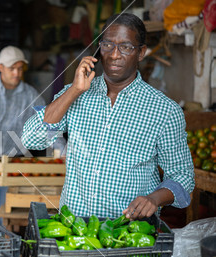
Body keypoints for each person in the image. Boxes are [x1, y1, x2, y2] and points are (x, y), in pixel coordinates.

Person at [21, 13, 195, 220]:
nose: (114, 55)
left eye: (126, 47)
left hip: (128, 232)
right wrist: (74, 91)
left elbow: (182, 176)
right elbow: (31, 139)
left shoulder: (165, 111)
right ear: (98, 49)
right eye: (107, 45)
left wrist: (154, 198)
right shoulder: (75, 94)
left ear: (141, 53)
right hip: (75, 229)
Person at [0, 46, 65, 231]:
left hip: (13, 164)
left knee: (4, 216)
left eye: (20, 68)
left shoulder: (30, 95)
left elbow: (46, 124)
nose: (16, 73)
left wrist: (62, 150)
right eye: (11, 68)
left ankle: (1, 255)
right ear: (0, 67)